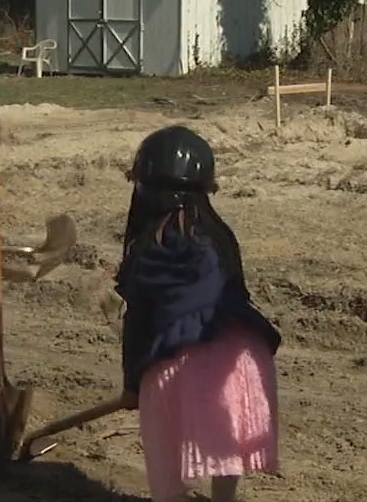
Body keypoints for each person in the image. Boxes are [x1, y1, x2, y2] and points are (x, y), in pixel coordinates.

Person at [116, 125, 281, 502]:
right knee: (226, 446)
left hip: (180, 364)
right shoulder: (219, 236)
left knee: (165, 456)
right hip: (242, 361)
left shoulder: (147, 249)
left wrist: (131, 384)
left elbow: (139, 322)